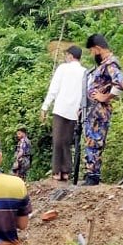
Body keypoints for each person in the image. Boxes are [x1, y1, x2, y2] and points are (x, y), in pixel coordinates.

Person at [84, 34, 123, 186]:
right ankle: (90, 173)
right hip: (93, 110)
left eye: (91, 51)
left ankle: (93, 176)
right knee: (91, 141)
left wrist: (106, 97)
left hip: (99, 111)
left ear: (98, 49)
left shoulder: (110, 64)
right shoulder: (103, 64)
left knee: (94, 141)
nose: (91, 54)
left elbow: (121, 84)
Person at [41, 45, 86, 181]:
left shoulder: (63, 68)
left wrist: (45, 107)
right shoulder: (85, 72)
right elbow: (85, 94)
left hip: (60, 109)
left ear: (70, 56)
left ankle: (56, 171)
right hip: (74, 111)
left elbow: (54, 89)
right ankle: (66, 171)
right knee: (67, 141)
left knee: (57, 141)